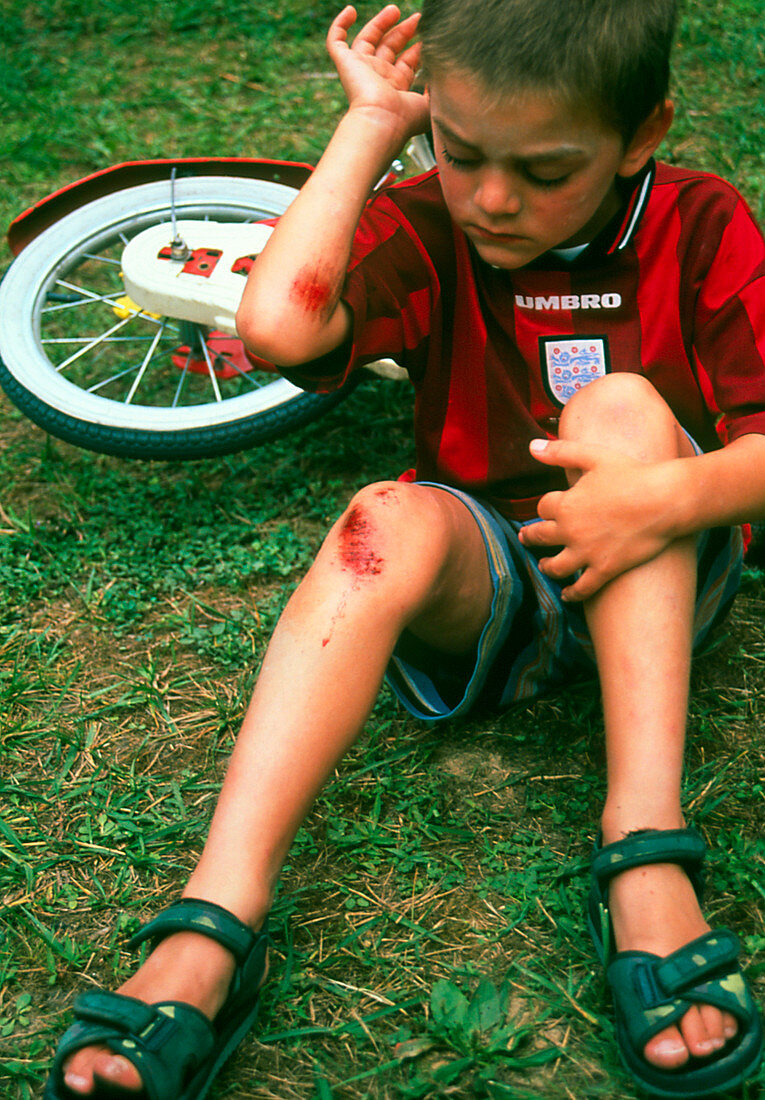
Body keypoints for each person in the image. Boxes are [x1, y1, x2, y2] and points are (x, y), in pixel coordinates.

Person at [44, 2, 765, 1098]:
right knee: (383, 515)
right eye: (460, 149)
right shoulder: (435, 218)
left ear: (642, 133)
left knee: (618, 411)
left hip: (659, 571)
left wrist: (661, 496)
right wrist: (375, 124)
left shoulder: (703, 222)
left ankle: (647, 842)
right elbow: (283, 327)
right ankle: (213, 918)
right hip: (492, 579)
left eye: (543, 169)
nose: (491, 196)